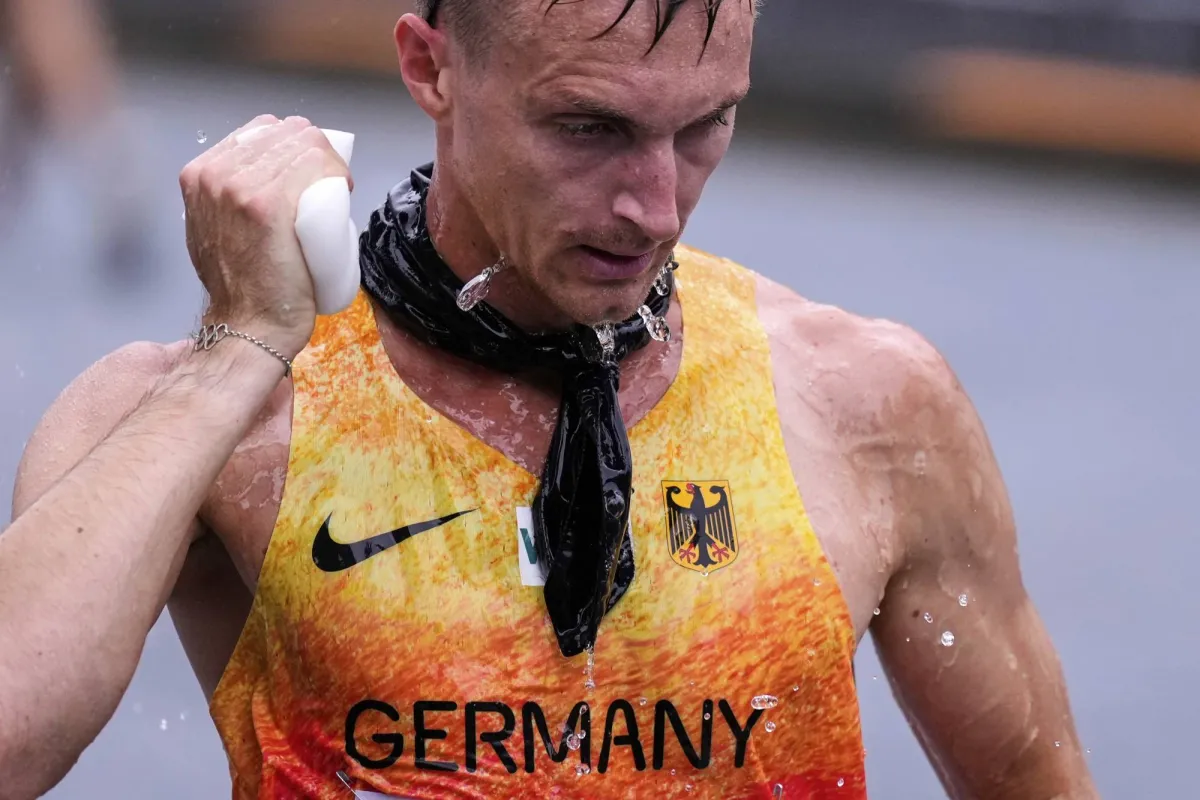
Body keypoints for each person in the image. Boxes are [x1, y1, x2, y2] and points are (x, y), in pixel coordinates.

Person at [1, 1, 1099, 797]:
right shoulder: (239, 415)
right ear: (431, 69)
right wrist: (239, 349)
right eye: (590, 127)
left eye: (706, 126)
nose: (654, 206)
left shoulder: (868, 406)